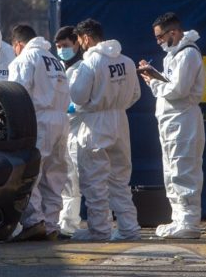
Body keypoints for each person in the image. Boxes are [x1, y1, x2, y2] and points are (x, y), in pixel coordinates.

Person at [68, 19, 142, 241]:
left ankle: (99, 230)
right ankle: (129, 229)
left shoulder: (90, 63)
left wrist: (87, 107)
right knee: (120, 178)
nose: (80, 45)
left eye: (80, 40)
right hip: (120, 120)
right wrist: (115, 106)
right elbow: (136, 94)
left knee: (94, 179)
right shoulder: (127, 61)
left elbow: (78, 96)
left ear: (87, 38)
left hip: (95, 123)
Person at [138, 12, 206, 239]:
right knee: (171, 170)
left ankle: (189, 221)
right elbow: (171, 85)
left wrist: (153, 83)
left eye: (160, 36)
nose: (158, 41)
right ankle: (179, 218)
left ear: (174, 32)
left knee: (183, 169)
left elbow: (178, 90)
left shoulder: (188, 54)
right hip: (170, 120)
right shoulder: (173, 56)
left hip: (183, 119)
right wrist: (155, 76)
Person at [8, 24, 71, 241]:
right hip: (61, 121)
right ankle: (51, 224)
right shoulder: (53, 60)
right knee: (54, 175)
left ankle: (35, 222)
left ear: (18, 44)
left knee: (31, 173)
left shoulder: (25, 59)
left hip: (39, 120)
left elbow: (17, 93)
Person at [53, 26, 84, 236]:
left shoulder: (83, 68)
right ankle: (66, 222)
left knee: (78, 180)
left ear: (76, 44)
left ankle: (71, 223)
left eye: (66, 46)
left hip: (79, 127)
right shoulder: (59, 67)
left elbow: (82, 99)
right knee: (67, 179)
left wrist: (70, 107)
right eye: (59, 46)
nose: (62, 50)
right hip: (63, 128)